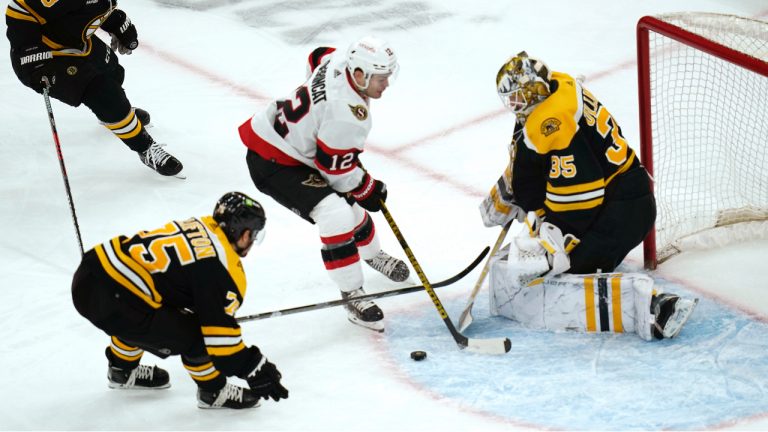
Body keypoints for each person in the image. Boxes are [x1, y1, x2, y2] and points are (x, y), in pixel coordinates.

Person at [480, 51, 697, 340]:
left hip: (623, 212)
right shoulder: (556, 90)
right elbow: (533, 151)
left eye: (518, 97)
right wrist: (516, 190)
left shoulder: (554, 121)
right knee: (546, 262)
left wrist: (555, 236)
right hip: (620, 197)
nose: (514, 105)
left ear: (534, 90)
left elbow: (582, 197)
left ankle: (658, 307)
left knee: (563, 272)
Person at [238, 36, 410, 332]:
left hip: (289, 144)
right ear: (360, 74)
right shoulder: (347, 115)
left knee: (351, 209)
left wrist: (318, 120)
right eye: (381, 78)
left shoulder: (339, 59)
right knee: (337, 214)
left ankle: (372, 256)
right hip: (274, 163)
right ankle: (352, 294)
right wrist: (368, 188)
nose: (387, 84)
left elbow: (316, 55)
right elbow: (334, 171)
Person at [71, 192, 288, 409]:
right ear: (244, 234)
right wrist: (255, 367)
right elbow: (221, 346)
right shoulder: (225, 272)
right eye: (255, 235)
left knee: (149, 307)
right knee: (196, 336)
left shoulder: (202, 224)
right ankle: (213, 392)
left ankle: (122, 370)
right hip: (114, 300)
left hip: (91, 271)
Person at [6, 0, 183, 177]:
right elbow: (20, 8)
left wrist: (117, 22)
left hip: (75, 44)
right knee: (105, 95)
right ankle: (144, 147)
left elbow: (88, 8)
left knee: (114, 72)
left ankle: (117, 117)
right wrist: (28, 48)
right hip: (43, 58)